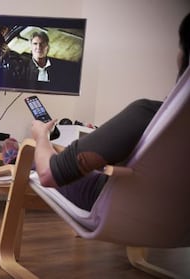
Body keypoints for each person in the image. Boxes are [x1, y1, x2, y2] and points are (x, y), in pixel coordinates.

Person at [29, 13, 190, 211]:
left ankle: (17, 157)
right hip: (170, 222)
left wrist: (41, 136)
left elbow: (48, 175)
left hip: (112, 204)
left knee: (30, 154)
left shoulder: (148, 114)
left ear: (182, 58)